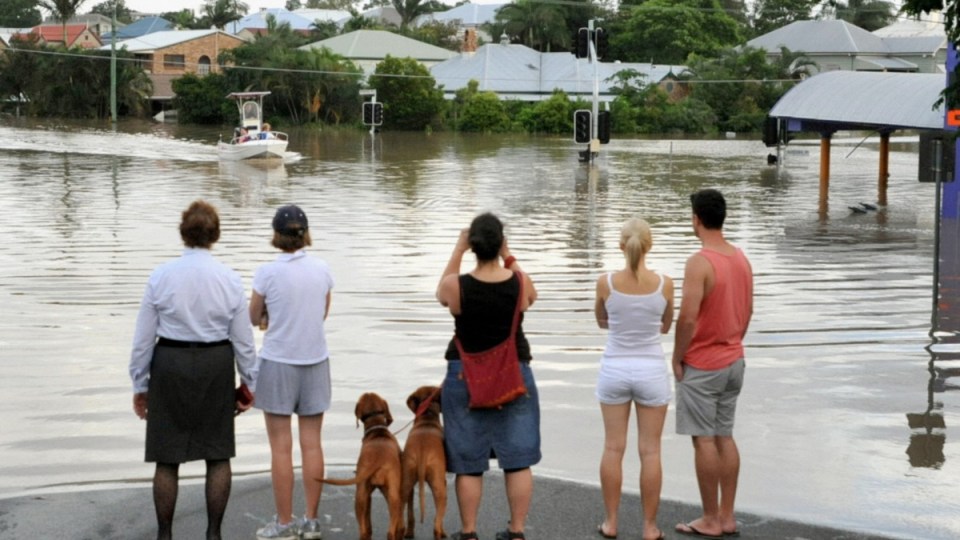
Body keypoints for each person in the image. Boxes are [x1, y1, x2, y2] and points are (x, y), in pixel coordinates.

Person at [129, 200, 258, 540]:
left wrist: (139, 384)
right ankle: (213, 534)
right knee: (217, 454)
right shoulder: (229, 279)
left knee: (166, 458)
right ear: (215, 235)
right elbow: (244, 341)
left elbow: (143, 339)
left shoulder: (160, 276)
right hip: (215, 364)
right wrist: (249, 384)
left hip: (169, 362)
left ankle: (165, 534)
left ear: (183, 233)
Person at [436, 213, 539, 540]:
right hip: (515, 372)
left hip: (466, 375)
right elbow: (531, 299)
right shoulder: (518, 281)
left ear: (473, 246)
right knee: (518, 458)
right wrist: (509, 255)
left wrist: (457, 249)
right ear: (500, 243)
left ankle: (468, 532)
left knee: (468, 460)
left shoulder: (458, 285)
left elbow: (442, 294)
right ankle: (517, 531)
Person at [672, 189, 753, 539]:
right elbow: (748, 311)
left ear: (696, 219)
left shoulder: (699, 262)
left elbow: (687, 318)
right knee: (724, 436)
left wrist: (677, 357)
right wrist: (734, 341)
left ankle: (709, 518)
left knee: (703, 440)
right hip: (734, 359)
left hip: (703, 363)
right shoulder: (740, 258)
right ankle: (727, 515)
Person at [249, 205, 334, 540]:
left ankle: (285, 523)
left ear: (276, 235)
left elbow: (253, 318)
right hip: (315, 360)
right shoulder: (323, 269)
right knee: (312, 444)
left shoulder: (267, 273)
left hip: (279, 362)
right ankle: (311, 522)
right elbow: (321, 313)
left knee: (281, 448)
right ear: (305, 234)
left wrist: (270, 318)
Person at [594, 218, 674, 540]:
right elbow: (666, 326)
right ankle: (649, 527)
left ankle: (611, 523)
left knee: (613, 448)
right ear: (649, 245)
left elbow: (602, 321)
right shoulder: (664, 284)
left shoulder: (606, 282)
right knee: (650, 451)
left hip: (614, 369)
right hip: (651, 370)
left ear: (620, 245)